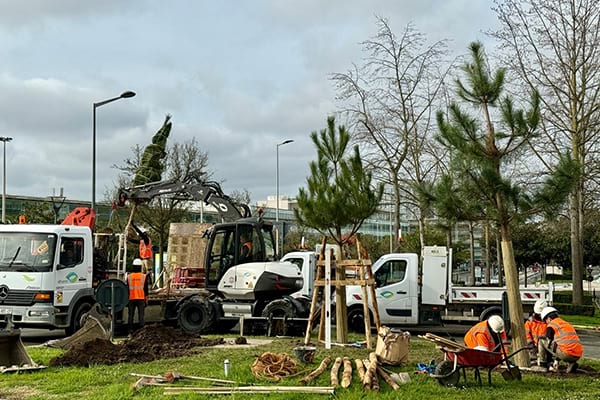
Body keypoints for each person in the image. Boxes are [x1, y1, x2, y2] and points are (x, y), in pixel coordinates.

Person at [536, 306, 583, 373]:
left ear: (549, 319)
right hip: (577, 355)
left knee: (541, 340)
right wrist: (557, 360)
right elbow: (562, 343)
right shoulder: (565, 324)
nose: (546, 323)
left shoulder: (551, 325)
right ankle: (571, 364)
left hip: (566, 354)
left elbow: (549, 343)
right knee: (564, 347)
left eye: (545, 320)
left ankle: (542, 365)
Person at [126, 258, 149, 333]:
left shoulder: (129, 277)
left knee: (130, 315)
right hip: (141, 298)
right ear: (140, 267)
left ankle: (130, 330)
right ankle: (141, 330)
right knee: (141, 316)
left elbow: (127, 288)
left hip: (131, 298)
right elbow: (146, 289)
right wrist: (146, 299)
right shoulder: (144, 276)